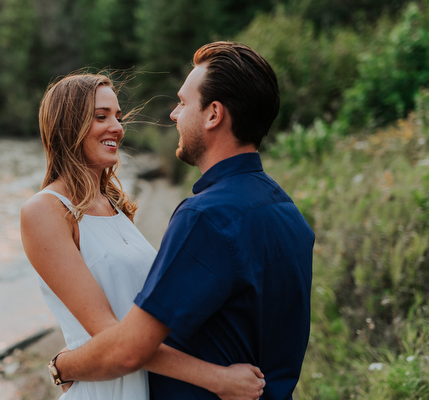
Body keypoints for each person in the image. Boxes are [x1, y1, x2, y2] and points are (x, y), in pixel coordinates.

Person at [51, 42, 315, 400]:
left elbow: (129, 349)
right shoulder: (289, 214)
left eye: (183, 103)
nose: (174, 115)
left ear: (213, 114)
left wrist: (62, 366)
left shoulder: (204, 217)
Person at [20, 72, 266, 400]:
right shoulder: (44, 211)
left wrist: (63, 364)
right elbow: (113, 336)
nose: (117, 128)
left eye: (118, 117)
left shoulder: (117, 206)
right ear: (69, 126)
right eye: (101, 116)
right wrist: (216, 379)